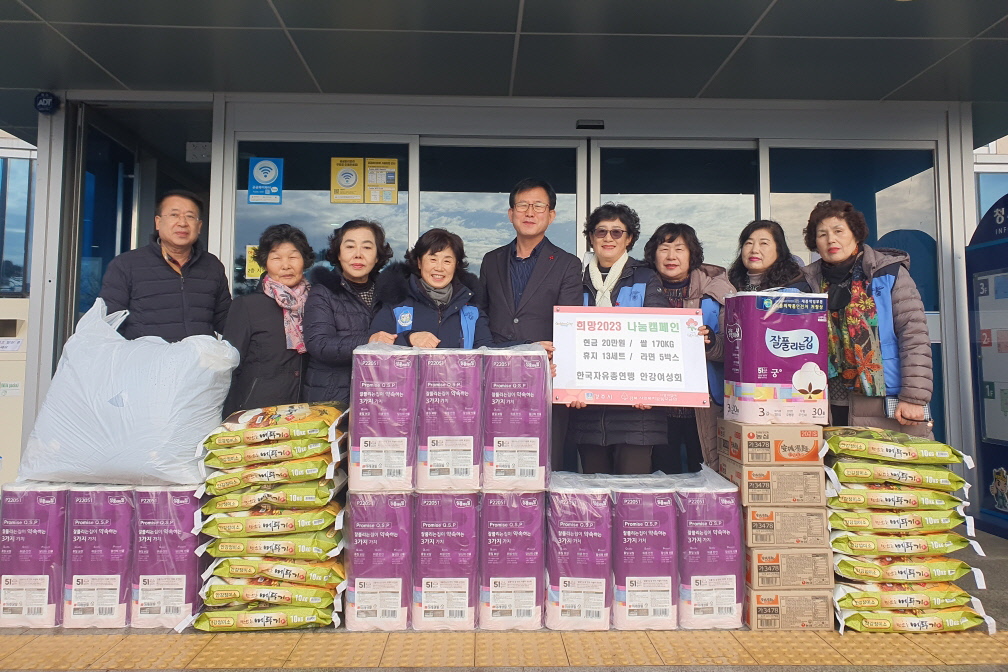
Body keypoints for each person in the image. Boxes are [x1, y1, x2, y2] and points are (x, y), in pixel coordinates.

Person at [801, 199, 933, 435]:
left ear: (855, 233)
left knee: (885, 469)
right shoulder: (807, 283)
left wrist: (914, 397)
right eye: (822, 234)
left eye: (839, 231)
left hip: (883, 402)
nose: (831, 239)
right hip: (823, 403)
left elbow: (914, 335)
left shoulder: (888, 274)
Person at [480, 177, 583, 469]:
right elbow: (481, 315)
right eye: (522, 205)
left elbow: (569, 325)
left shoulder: (567, 264)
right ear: (511, 213)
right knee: (498, 461)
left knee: (545, 462)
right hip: (498, 376)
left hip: (546, 378)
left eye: (538, 206)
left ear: (551, 215)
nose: (529, 212)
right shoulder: (491, 260)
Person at [568, 203, 667, 475]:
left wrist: (652, 389)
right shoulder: (573, 279)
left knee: (632, 499)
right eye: (601, 232)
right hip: (587, 409)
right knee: (594, 500)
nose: (608, 238)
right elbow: (564, 337)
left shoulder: (646, 277)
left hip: (636, 413)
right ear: (590, 237)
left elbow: (659, 338)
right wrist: (566, 384)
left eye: (617, 232)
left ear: (630, 238)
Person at [645, 223, 734, 473]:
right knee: (661, 481)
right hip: (656, 409)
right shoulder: (640, 290)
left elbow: (736, 348)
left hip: (704, 408)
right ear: (653, 254)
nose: (671, 256)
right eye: (664, 248)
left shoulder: (718, 292)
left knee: (705, 481)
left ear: (692, 254)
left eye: (679, 249)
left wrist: (712, 343)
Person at [100, 189, 231, 342]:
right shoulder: (126, 264)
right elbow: (109, 325)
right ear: (158, 222)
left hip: (200, 363)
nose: (182, 223)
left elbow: (226, 321)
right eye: (174, 215)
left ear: (199, 226)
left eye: (190, 216)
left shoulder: (212, 265)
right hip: (146, 362)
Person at [222, 224, 314, 416]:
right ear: (265, 262)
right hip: (257, 412)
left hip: (307, 413)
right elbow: (230, 367)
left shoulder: (317, 303)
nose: (286, 265)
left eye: (293, 257)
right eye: (276, 258)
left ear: (304, 260)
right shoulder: (247, 306)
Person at [303, 220, 394, 404]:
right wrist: (369, 342)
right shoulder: (323, 292)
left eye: (367, 247)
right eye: (350, 246)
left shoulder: (390, 293)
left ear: (377, 256)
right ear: (338, 253)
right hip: (332, 401)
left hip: (380, 399)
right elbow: (319, 344)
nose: (358, 255)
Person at [370, 228, 493, 349]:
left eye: (447, 261)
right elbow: (374, 346)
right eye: (433, 259)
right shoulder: (397, 301)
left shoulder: (471, 308)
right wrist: (409, 339)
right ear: (419, 262)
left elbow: (486, 353)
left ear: (456, 265)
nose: (439, 268)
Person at [727, 219, 809, 291]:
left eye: (764, 243)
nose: (754, 250)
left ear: (779, 249)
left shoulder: (797, 286)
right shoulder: (728, 285)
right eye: (749, 243)